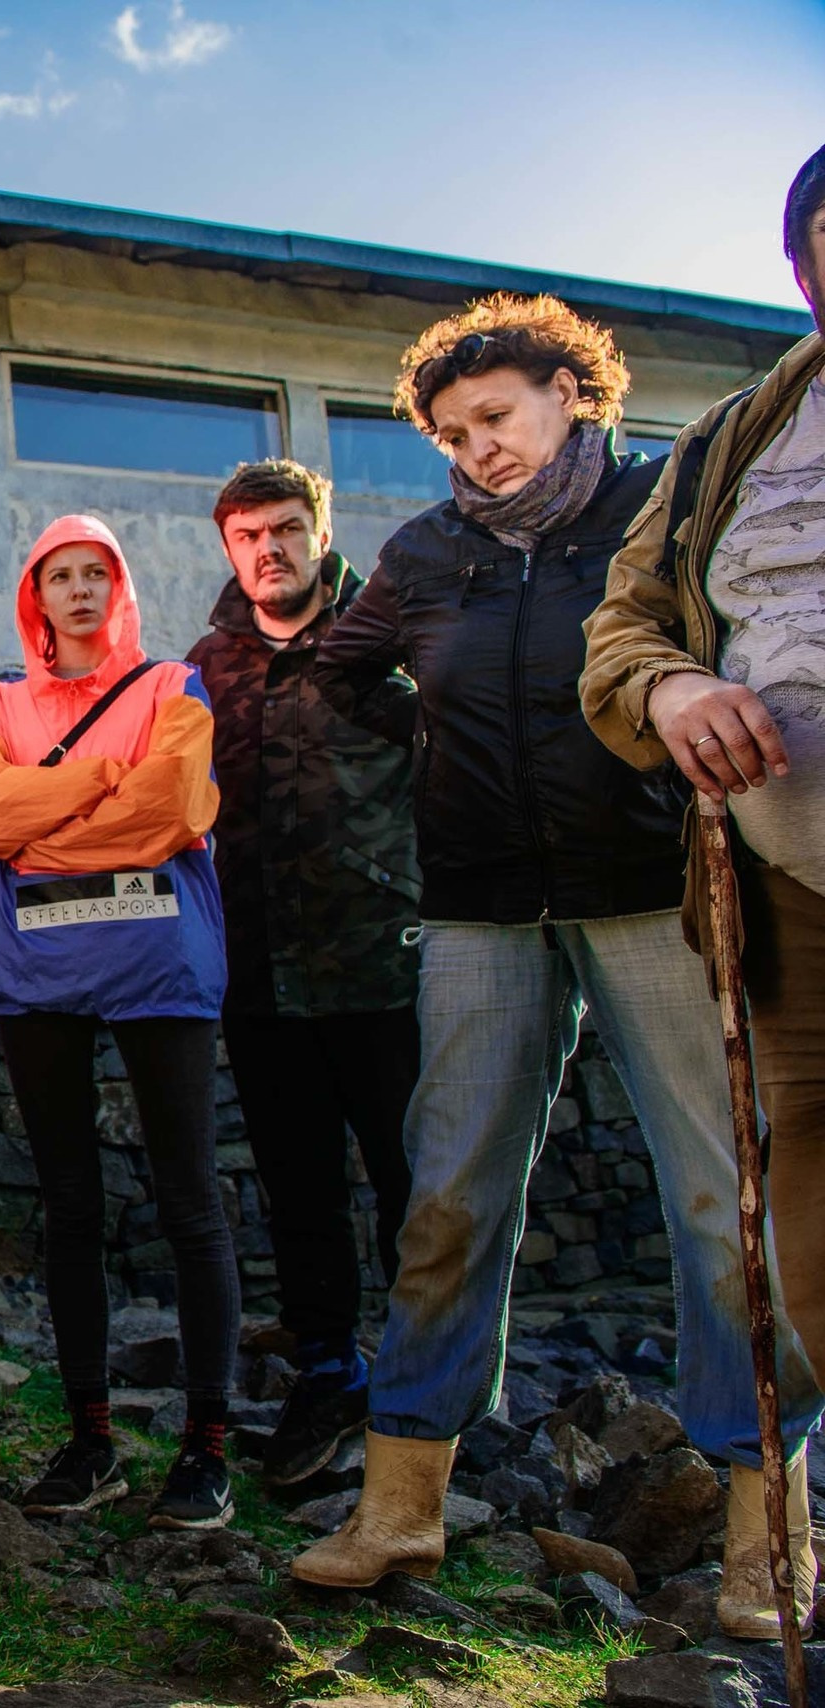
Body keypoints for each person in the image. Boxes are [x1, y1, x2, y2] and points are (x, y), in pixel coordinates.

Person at [293, 292, 824, 1606]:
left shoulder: (663, 506)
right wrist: (435, 745)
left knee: (727, 1207)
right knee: (447, 1202)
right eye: (451, 432)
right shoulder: (419, 557)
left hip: (657, 895)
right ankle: (401, 1503)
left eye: (497, 414)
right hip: (478, 912)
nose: (477, 445)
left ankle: (769, 1533)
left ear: (570, 392)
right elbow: (336, 674)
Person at [581, 147, 825, 1639]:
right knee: (807, 1209)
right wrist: (669, 691)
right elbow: (627, 622)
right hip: (787, 886)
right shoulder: (739, 434)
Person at [0, 516, 236, 1529]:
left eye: (95, 573)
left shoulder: (172, 688)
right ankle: (89, 1440)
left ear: (118, 587)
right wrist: (97, 782)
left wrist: (47, 812)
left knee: (189, 1200)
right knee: (68, 1205)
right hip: (39, 974)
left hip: (160, 965)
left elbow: (168, 807)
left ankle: (205, 1448)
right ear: (35, 596)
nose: (77, 590)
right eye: (58, 575)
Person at [184, 459, 420, 1489]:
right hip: (259, 976)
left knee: (419, 1184)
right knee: (298, 1190)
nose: (268, 549)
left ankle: (430, 1389)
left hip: (387, 966)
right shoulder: (205, 667)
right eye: (248, 536)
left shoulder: (393, 640)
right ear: (229, 549)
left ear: (321, 531)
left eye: (285, 529)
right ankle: (327, 1371)